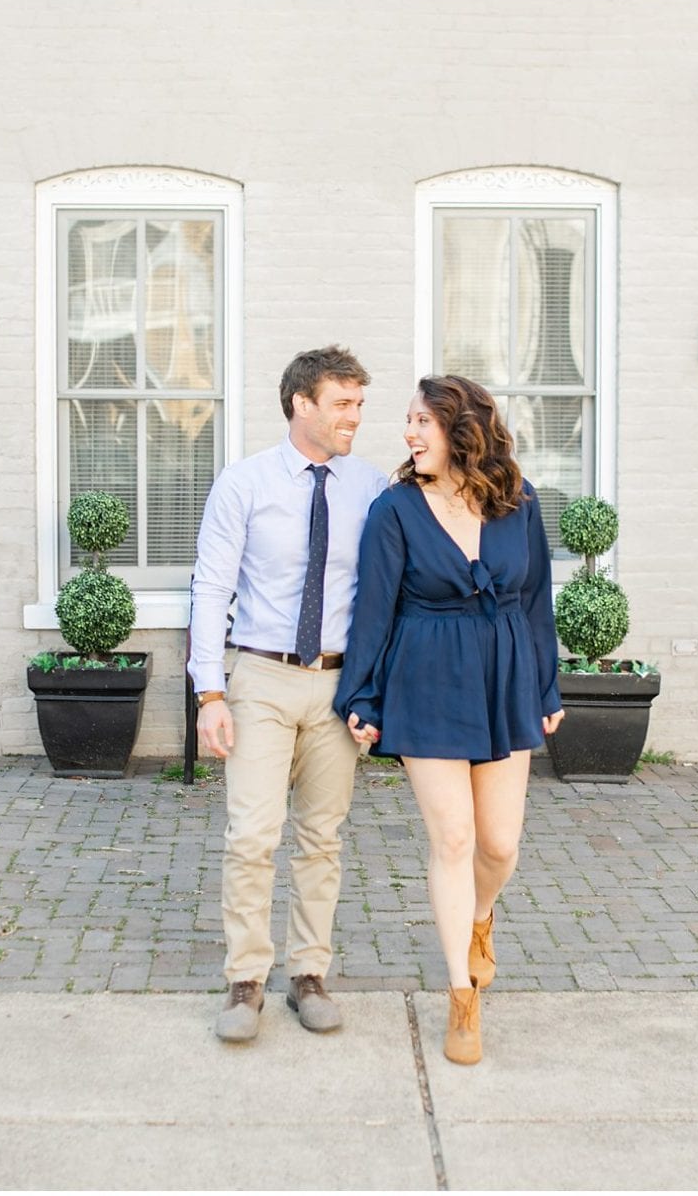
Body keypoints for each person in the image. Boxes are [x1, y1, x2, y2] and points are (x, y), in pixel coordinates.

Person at [333, 374, 564, 1066]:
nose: (408, 434)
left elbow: (536, 603)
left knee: (499, 844)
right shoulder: (395, 510)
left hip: (505, 681)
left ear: (462, 430)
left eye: (421, 422)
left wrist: (547, 689)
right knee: (454, 839)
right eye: (407, 422)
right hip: (427, 682)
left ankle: (480, 919)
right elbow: (373, 610)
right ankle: (462, 1000)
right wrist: (361, 697)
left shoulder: (518, 505)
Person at [189, 345, 387, 1043]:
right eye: (342, 404)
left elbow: (384, 593)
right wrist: (210, 692)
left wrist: (376, 695)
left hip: (338, 684)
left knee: (322, 838)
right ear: (301, 403)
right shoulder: (243, 484)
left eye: (359, 405)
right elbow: (211, 589)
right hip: (262, 678)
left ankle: (309, 974)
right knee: (252, 835)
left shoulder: (371, 487)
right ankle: (245, 981)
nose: (354, 418)